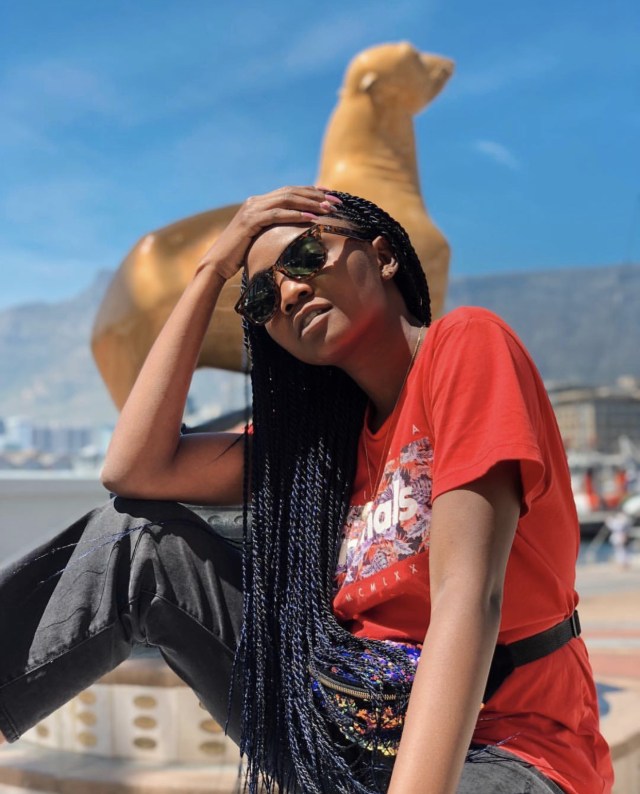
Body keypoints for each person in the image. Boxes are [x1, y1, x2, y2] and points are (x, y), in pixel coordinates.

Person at [0, 187, 613, 793]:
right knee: (138, 541)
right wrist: (212, 271)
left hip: (504, 744)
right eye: (262, 297)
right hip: (337, 723)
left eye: (306, 257)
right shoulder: (320, 444)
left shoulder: (465, 345)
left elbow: (467, 596)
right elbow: (134, 470)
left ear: (383, 256)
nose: (289, 292)